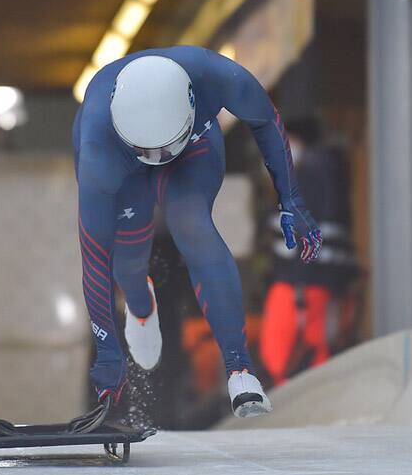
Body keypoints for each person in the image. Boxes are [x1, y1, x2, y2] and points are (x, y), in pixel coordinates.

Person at [72, 46, 322, 419]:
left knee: (194, 227)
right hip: (123, 162)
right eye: (151, 153)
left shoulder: (218, 77)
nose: (159, 161)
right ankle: (141, 307)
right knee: (127, 262)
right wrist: (109, 356)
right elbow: (94, 258)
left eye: (163, 149)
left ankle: (240, 370)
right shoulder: (97, 149)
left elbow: (265, 121)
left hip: (193, 147)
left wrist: (292, 199)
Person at [258, 117, 358, 386]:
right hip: (315, 280)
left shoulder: (309, 170)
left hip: (300, 282)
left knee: (279, 354)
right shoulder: (325, 168)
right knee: (317, 348)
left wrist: (300, 282)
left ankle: (298, 405)